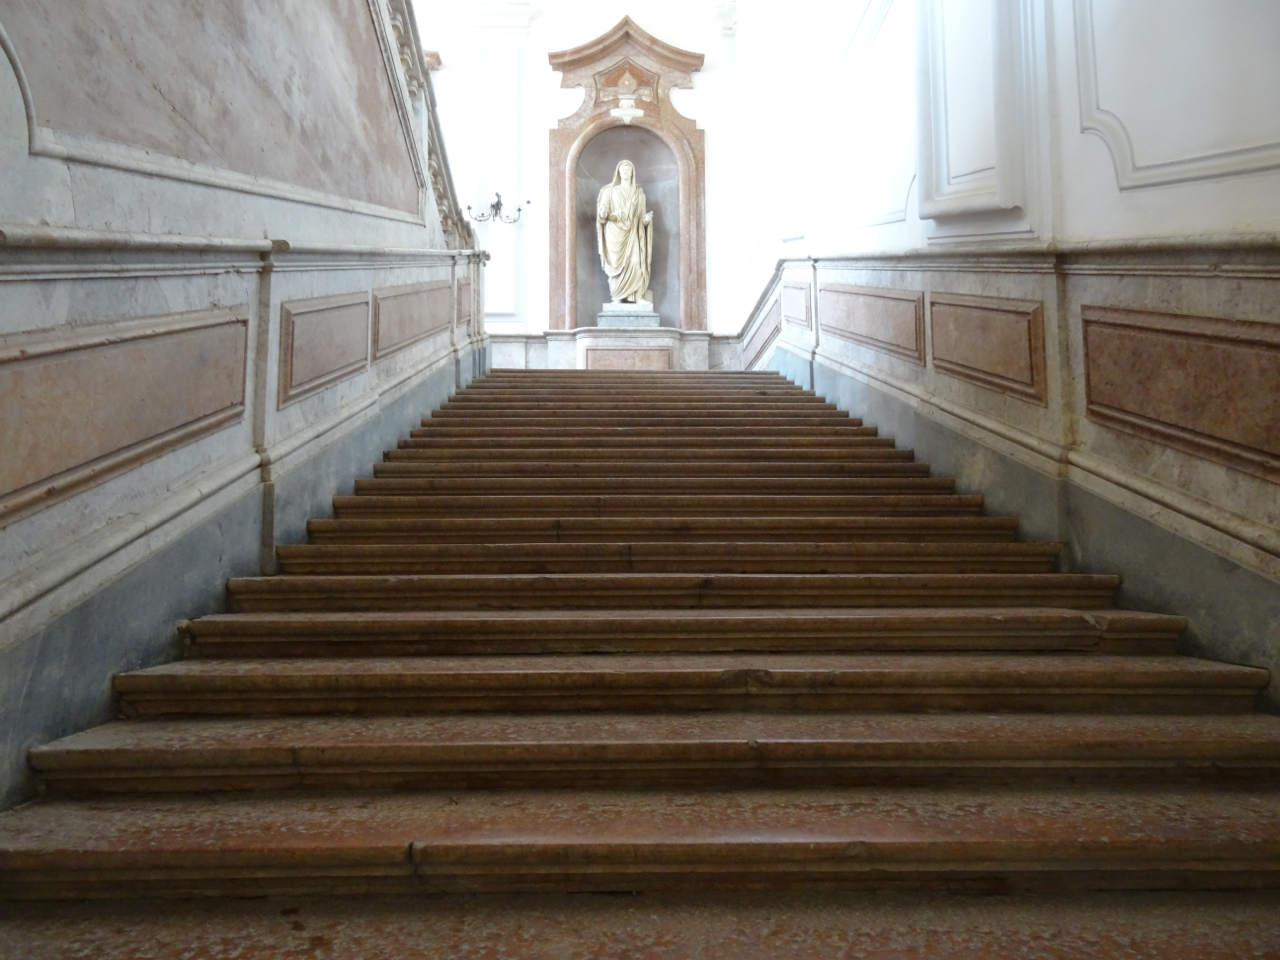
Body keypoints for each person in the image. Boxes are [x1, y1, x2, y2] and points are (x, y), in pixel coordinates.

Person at [596, 159, 654, 304]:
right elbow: (602, 213)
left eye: (628, 170)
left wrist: (646, 220)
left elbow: (641, 217)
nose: (625, 172)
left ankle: (637, 296)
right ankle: (617, 298)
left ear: (632, 173)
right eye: (623, 170)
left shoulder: (639, 194)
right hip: (614, 233)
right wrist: (603, 213)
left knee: (636, 262)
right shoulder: (609, 191)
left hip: (633, 232)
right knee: (616, 265)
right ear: (618, 173)